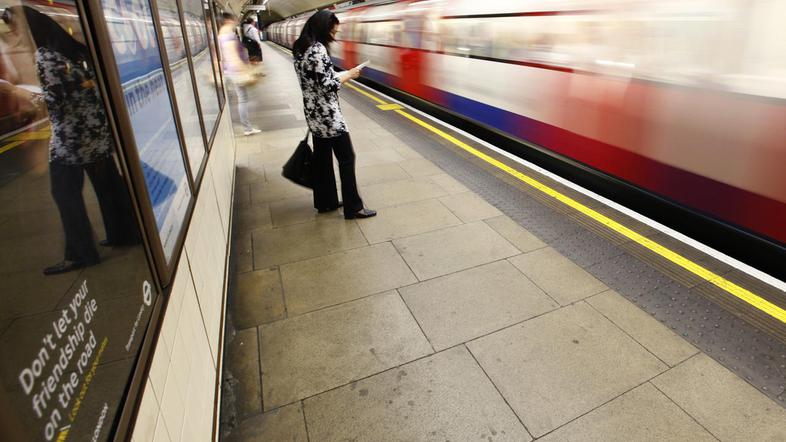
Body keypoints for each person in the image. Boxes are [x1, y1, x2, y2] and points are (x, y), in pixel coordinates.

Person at [3, 6, 139, 275]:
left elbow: (55, 101)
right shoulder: (72, 51)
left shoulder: (45, 56)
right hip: (95, 134)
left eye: (16, 28)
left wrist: (17, 92)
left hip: (70, 141)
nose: (14, 34)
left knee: (65, 195)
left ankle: (80, 254)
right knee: (108, 185)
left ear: (30, 29)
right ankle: (123, 232)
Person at [292, 10, 376, 219]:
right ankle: (353, 207)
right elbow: (327, 85)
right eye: (332, 32)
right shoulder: (318, 50)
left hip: (313, 115)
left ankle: (325, 202)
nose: (334, 36)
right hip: (329, 117)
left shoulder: (301, 48)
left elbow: (316, 81)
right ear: (323, 28)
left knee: (322, 161)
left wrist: (341, 74)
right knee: (347, 158)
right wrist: (349, 75)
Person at [218, 13, 260, 136]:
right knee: (243, 100)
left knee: (241, 99)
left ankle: (246, 127)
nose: (235, 21)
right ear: (227, 20)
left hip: (229, 71)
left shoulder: (220, 34)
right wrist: (245, 71)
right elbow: (233, 57)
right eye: (233, 19)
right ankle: (247, 128)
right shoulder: (228, 35)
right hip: (235, 72)